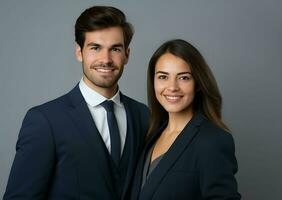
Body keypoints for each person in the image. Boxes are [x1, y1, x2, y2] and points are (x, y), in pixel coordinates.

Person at [4, 6, 149, 200]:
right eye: (95, 48)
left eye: (115, 49)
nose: (105, 59)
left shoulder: (143, 115)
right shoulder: (45, 121)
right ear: (79, 52)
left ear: (127, 55)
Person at [130, 39, 241, 200]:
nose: (172, 87)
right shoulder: (150, 135)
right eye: (163, 77)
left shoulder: (213, 140)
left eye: (183, 78)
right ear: (153, 81)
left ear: (197, 83)